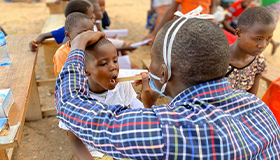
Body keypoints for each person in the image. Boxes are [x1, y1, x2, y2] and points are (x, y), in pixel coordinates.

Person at [54, 7, 280, 159]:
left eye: (152, 60)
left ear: (163, 73)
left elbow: (70, 106)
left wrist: (78, 45)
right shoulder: (259, 109)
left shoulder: (167, 130)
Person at [56, 12, 144, 160]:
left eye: (115, 61)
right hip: (95, 152)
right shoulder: (77, 96)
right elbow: (75, 142)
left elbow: (140, 115)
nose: (113, 67)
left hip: (122, 147)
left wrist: (147, 96)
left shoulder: (122, 86)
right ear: (86, 71)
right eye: (103, 63)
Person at [225, 6, 274, 95]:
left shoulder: (259, 61)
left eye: (268, 39)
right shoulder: (220, 61)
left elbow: (251, 98)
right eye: (258, 39)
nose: (263, 45)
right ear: (238, 33)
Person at [29, 0, 95, 52]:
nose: (94, 17)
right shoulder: (69, 35)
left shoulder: (73, 30)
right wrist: (35, 42)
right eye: (91, 17)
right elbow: (43, 35)